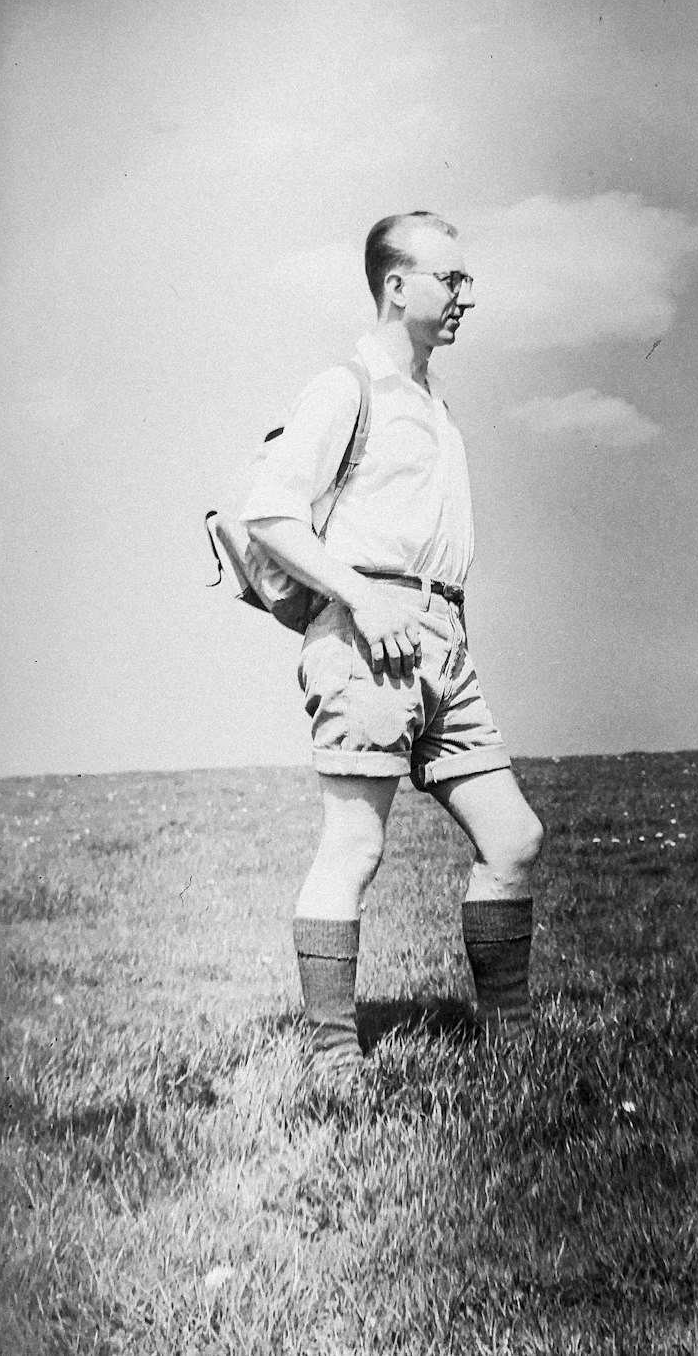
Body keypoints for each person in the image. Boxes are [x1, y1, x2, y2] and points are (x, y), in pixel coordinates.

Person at [240, 211, 544, 1084]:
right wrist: (365, 599)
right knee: (355, 849)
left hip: (441, 639)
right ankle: (334, 1064)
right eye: (452, 280)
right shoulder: (348, 386)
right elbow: (270, 511)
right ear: (396, 285)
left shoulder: (432, 401)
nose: (466, 297)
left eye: (467, 283)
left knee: (515, 838)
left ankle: (513, 1047)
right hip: (365, 635)